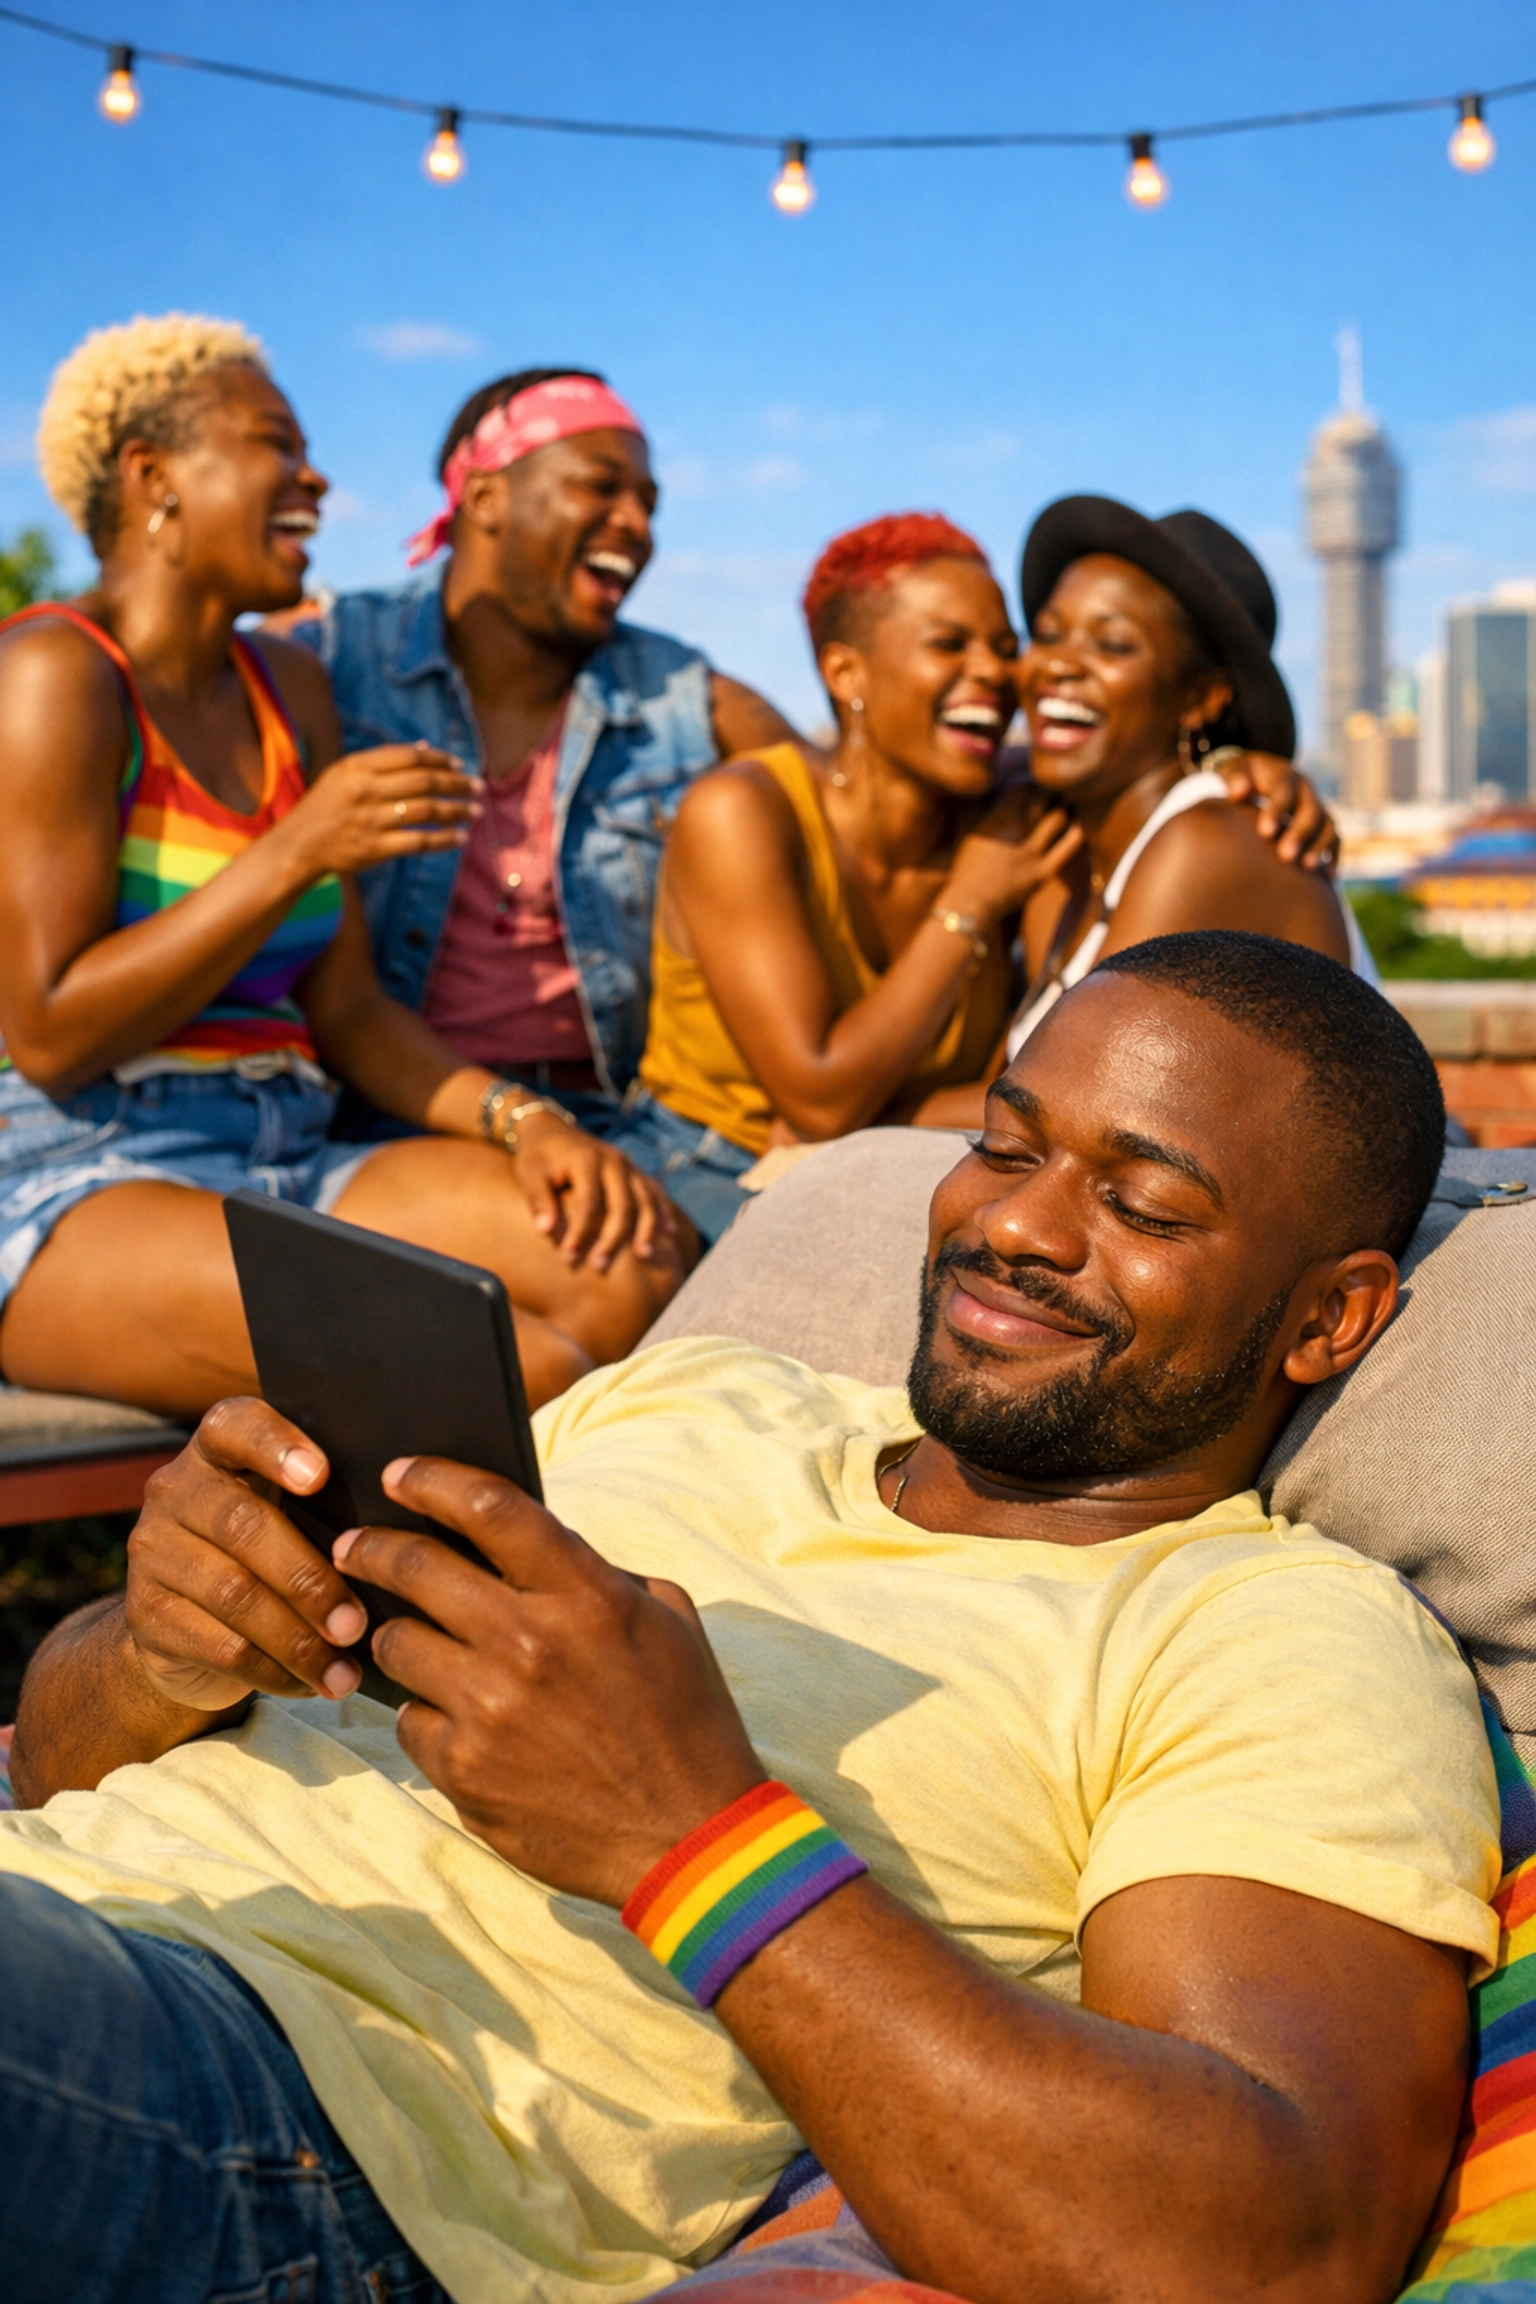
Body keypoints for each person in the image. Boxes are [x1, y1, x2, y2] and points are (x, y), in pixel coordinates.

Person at [1, 932, 1497, 2304]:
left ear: (1327, 1319)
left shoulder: (1270, 1630)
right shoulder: (699, 1390)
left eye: (1141, 1202)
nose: (1019, 1225)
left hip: (307, 2128)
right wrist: (154, 1652)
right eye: (1002, 1144)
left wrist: (684, 1836)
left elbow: (1279, 2237)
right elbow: (63, 1771)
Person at [0, 317, 685, 1420]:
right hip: (76, 1175)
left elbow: (354, 1013)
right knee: (507, 1371)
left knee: (629, 1268)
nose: (314, 475)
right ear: (152, 477)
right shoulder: (55, 676)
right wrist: (295, 852)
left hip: (296, 1148)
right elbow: (49, 1027)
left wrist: (525, 1122)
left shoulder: (288, 688)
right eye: (274, 442)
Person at [630, 513, 1341, 1233]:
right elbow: (821, 1100)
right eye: (950, 644)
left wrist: (1233, 762)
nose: (1001, 674)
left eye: (1005, 647)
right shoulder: (757, 813)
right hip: (714, 1160)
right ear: (847, 671)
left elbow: (1077, 1102)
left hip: (896, 1158)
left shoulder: (1029, 818)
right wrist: (968, 903)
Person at [281, 365, 798, 1154]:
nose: (636, 523)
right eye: (602, 486)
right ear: (485, 498)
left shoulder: (685, 700)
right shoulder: (333, 664)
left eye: (648, 503)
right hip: (385, 1124)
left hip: (632, 1131)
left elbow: (851, 805)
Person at [1005, 494, 1369, 1063]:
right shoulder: (1071, 859)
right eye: (1048, 635)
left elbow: (1056, 1095)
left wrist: (869, 1116)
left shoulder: (1208, 844)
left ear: (1202, 697)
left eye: (1113, 644)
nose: (1057, 664)